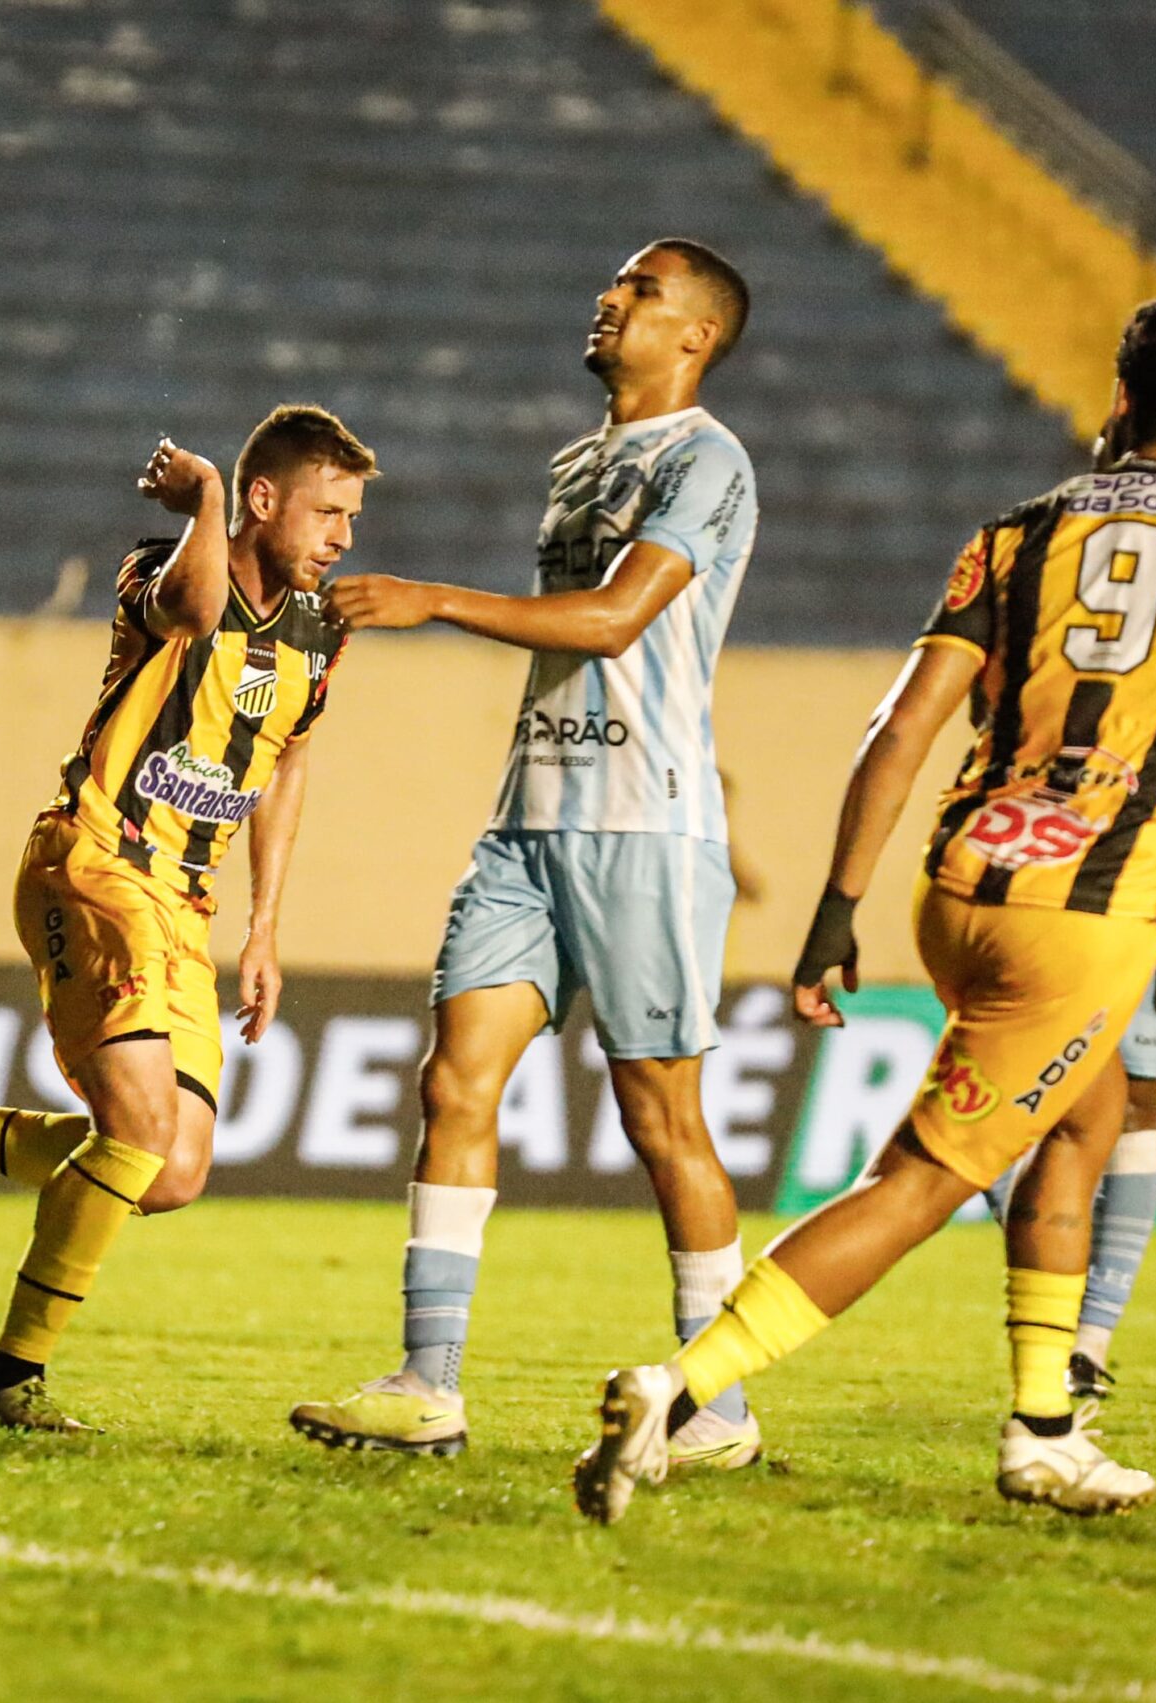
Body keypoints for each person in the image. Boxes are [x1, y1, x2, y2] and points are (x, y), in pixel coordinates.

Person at [573, 294, 1156, 1523]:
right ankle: (680, 1389)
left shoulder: (1015, 535)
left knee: (1082, 1128)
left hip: (962, 882)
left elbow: (901, 726)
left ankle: (1042, 1429)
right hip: (1087, 916)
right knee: (919, 1179)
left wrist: (836, 906)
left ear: (1119, 397)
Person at [0, 405, 375, 1434]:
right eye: (327, 511)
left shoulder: (318, 631)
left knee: (171, 1172)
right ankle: (7, 1385)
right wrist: (202, 499)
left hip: (186, 907)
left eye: (352, 517)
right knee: (142, 1133)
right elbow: (196, 613)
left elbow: (285, 759)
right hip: (95, 863)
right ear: (260, 498)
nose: (343, 537)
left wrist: (267, 925)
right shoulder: (162, 565)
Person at [286, 240, 765, 1469]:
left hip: (644, 828)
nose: (609, 300)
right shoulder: (578, 463)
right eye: (613, 284)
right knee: (455, 1080)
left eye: (641, 292)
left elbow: (613, 621)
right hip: (527, 821)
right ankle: (426, 1382)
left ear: (696, 335)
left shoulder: (710, 461)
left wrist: (435, 599)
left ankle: (718, 1408)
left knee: (663, 1120)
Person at [983, 741, 1156, 1400]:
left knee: (1135, 1107)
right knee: (995, 1099)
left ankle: (1087, 1343)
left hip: (1146, 907)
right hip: (1033, 893)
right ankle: (1060, 1294)